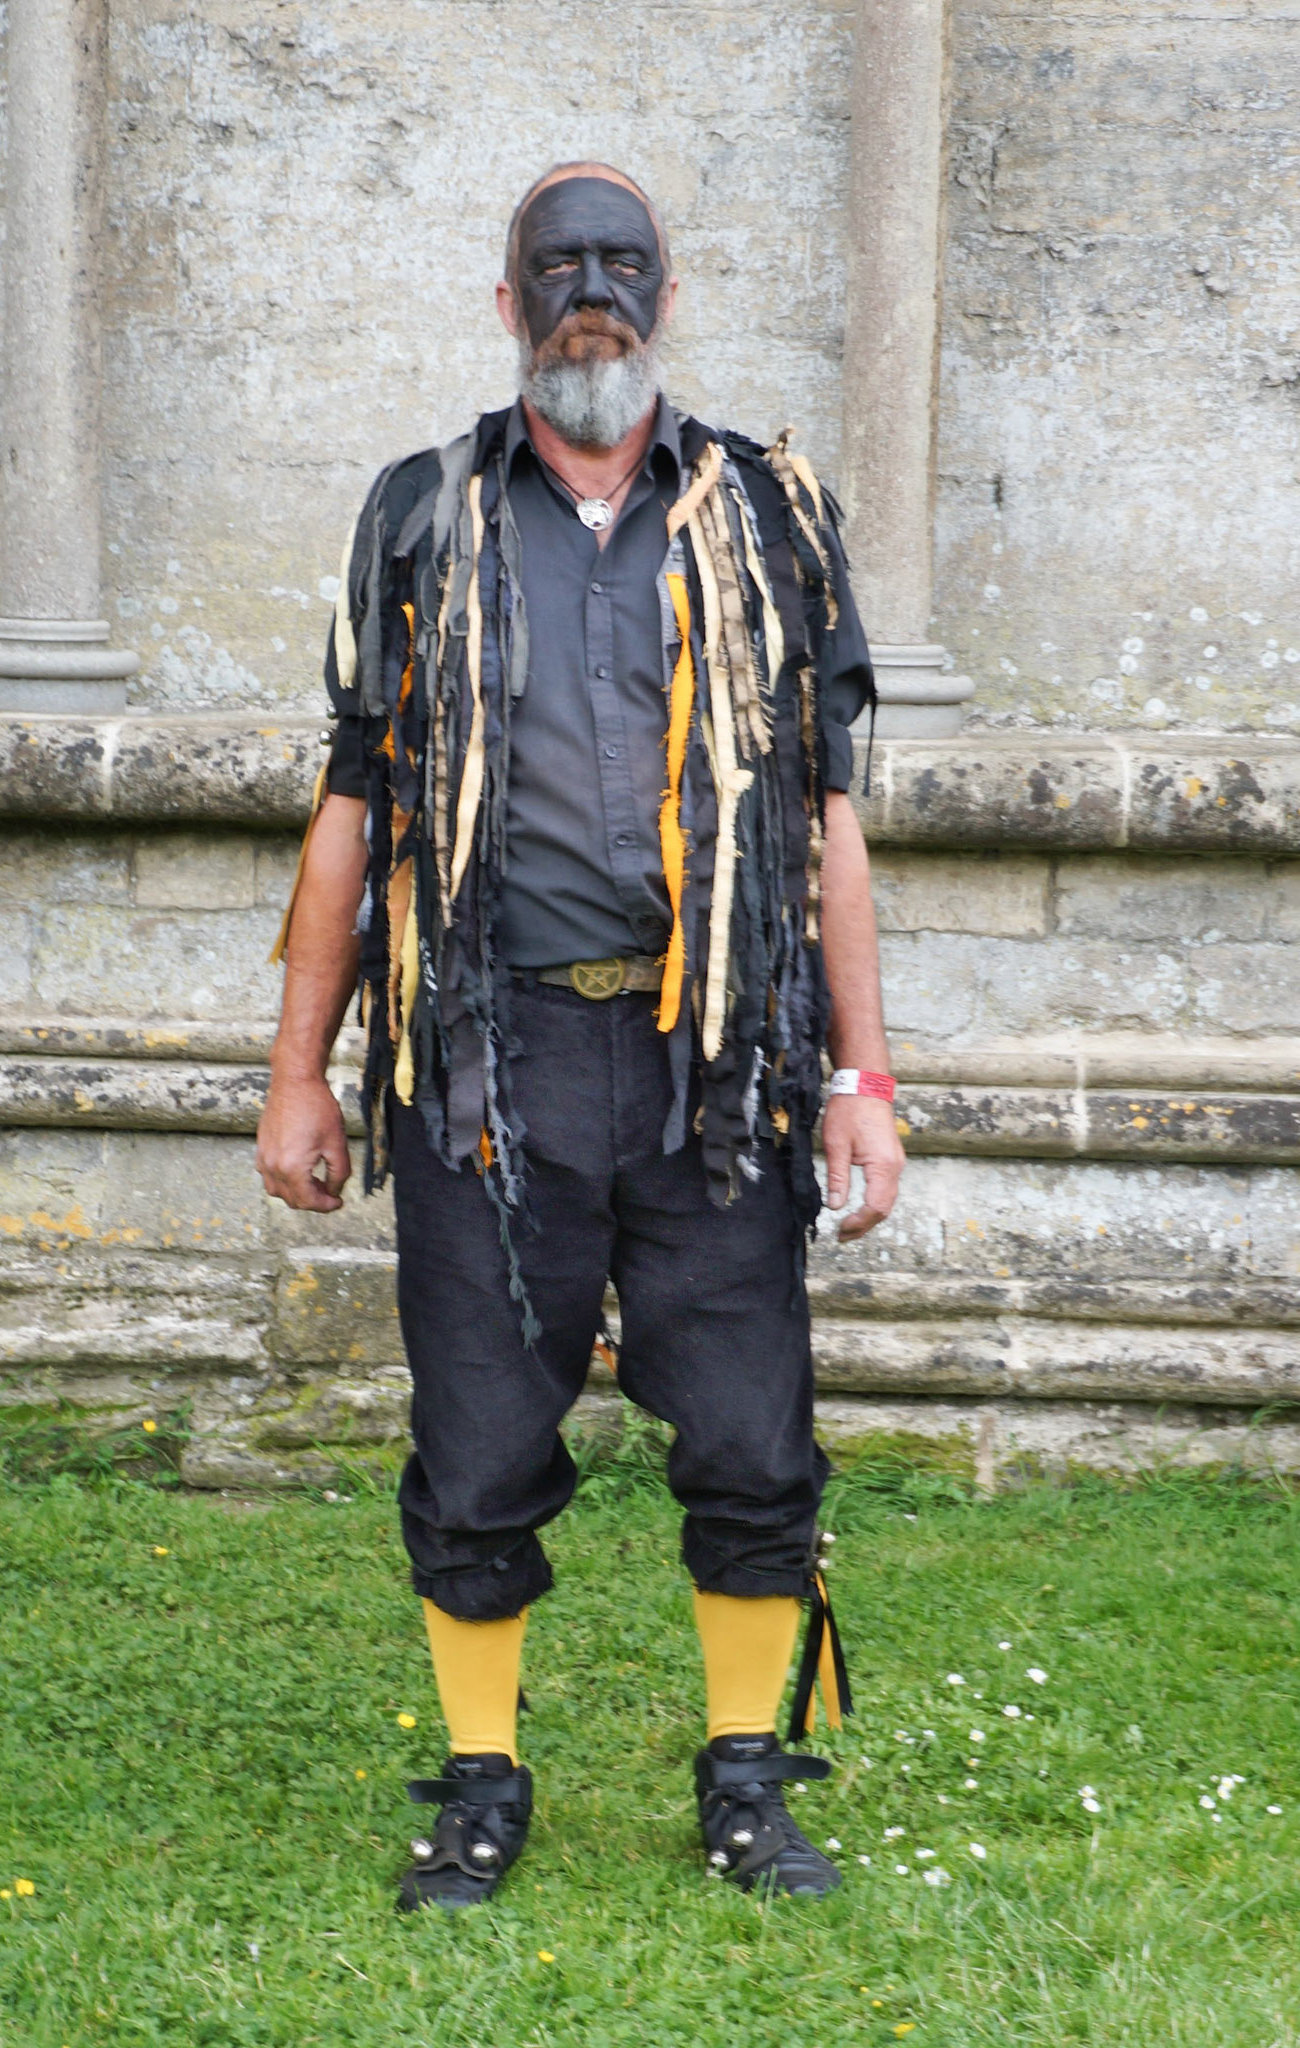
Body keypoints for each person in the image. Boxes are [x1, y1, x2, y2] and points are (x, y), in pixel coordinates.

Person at [256, 161, 905, 1909]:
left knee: (753, 1436)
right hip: (489, 1068)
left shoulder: (771, 517)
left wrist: (860, 1078)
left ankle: (747, 1777)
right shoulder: (421, 514)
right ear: (509, 302)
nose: (591, 293)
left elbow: (828, 824)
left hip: (719, 1075)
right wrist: (297, 1072)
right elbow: (354, 808)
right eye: (559, 267)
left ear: (666, 298)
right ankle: (482, 1782)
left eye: (624, 264)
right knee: (477, 1442)